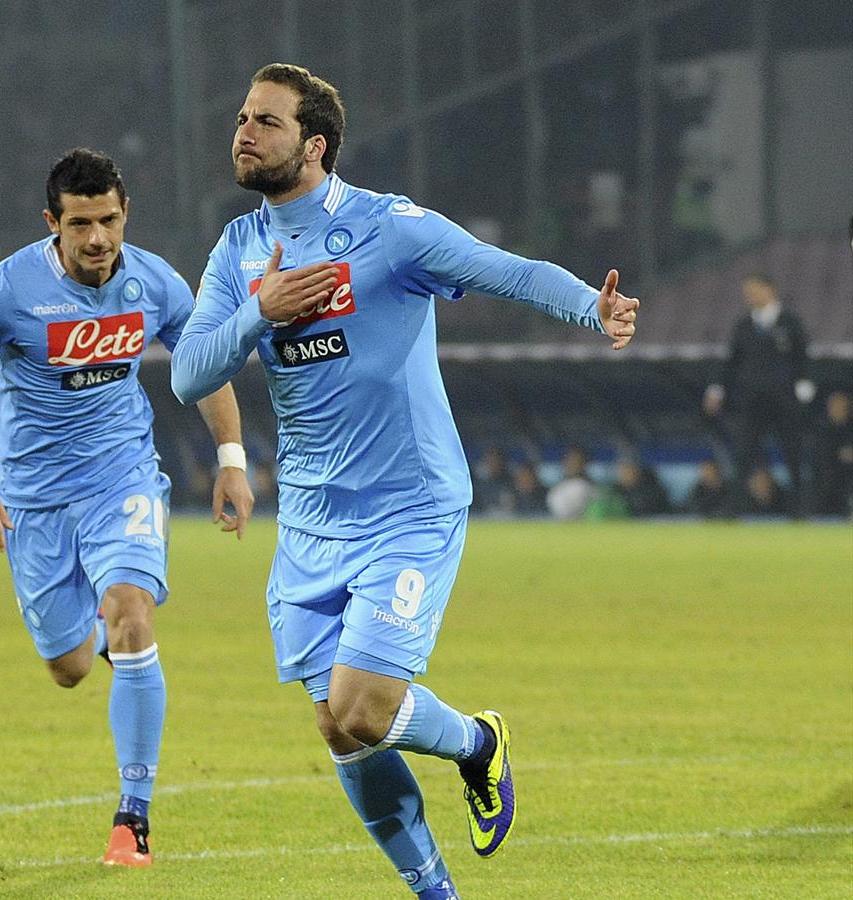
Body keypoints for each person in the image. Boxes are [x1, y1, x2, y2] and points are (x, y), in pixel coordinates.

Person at [170, 63, 640, 899]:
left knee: (361, 704)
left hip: (407, 506)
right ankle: (436, 892)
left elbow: (506, 268)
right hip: (312, 519)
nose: (243, 131)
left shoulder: (389, 227)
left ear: (314, 145)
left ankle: (477, 746)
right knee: (340, 730)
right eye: (242, 116)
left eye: (266, 122)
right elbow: (189, 373)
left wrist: (589, 307)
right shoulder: (238, 249)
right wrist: (259, 312)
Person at [0, 148, 254, 867]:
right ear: (53, 224)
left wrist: (231, 461)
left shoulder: (154, 281)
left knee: (132, 609)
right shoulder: (9, 290)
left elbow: (206, 364)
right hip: (33, 502)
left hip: (122, 480)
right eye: (80, 224)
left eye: (108, 220)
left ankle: (133, 821)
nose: (98, 238)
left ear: (125, 213)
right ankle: (105, 643)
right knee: (69, 666)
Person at [704, 275, 811, 504]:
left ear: (770, 290)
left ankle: (799, 507)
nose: (749, 296)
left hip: (784, 398)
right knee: (744, 453)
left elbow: (803, 356)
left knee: (792, 451)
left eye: (754, 290)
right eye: (747, 292)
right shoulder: (744, 325)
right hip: (752, 400)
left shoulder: (790, 322)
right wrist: (717, 389)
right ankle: (735, 506)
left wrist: (804, 382)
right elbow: (732, 362)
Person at [808, 389, 853, 516]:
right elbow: (822, 456)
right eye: (835, 404)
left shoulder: (850, 427)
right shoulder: (820, 428)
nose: (838, 407)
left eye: (841, 404)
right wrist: (840, 454)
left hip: (847, 479)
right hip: (826, 481)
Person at [545, 445, 595, 520]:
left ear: (584, 464)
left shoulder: (586, 487)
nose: (571, 464)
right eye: (569, 460)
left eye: (576, 461)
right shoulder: (560, 485)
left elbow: (567, 514)